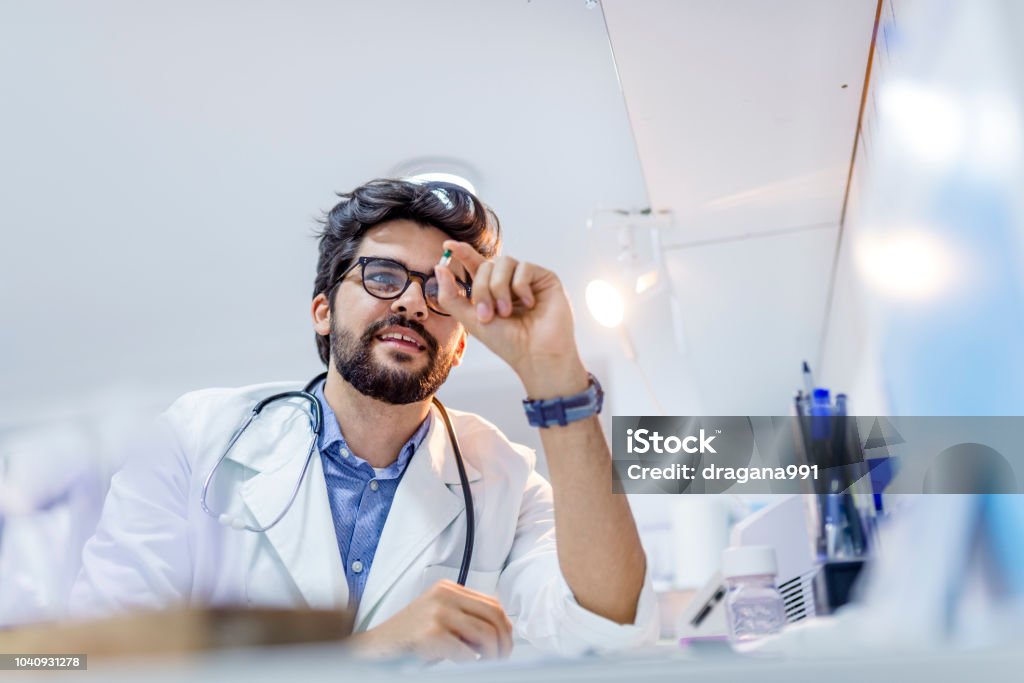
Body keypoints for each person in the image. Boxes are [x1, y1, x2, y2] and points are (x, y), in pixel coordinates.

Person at [69, 178, 658, 661]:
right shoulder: (196, 437)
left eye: (439, 290)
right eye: (382, 275)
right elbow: (86, 662)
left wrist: (553, 375)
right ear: (323, 311)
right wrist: (369, 656)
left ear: (460, 344)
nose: (409, 302)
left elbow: (609, 628)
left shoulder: (505, 477)